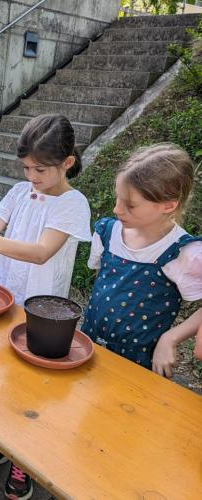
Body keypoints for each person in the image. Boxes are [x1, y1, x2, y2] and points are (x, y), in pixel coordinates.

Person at [0, 114, 91, 500]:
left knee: (32, 388)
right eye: (26, 167)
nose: (31, 176)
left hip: (43, 311)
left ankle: (22, 458)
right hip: (5, 296)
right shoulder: (19, 192)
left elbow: (42, 252)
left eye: (40, 169)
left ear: (67, 163)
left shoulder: (72, 203)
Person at [81, 143, 202, 376]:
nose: (117, 209)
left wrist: (171, 338)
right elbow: (102, 284)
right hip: (88, 347)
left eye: (130, 205)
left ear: (168, 205)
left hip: (137, 366)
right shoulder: (107, 232)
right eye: (118, 198)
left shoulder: (185, 253)